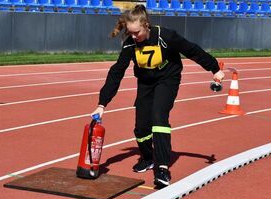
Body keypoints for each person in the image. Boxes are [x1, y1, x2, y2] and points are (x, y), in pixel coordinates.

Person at [91, 4, 225, 187]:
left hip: (167, 79)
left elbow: (192, 50)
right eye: (130, 33)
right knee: (141, 128)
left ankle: (162, 168)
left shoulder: (166, 36)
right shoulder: (130, 44)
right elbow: (116, 73)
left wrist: (214, 69)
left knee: (159, 117)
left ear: (146, 26)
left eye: (136, 32)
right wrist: (102, 103)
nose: (133, 37)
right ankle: (148, 158)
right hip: (146, 82)